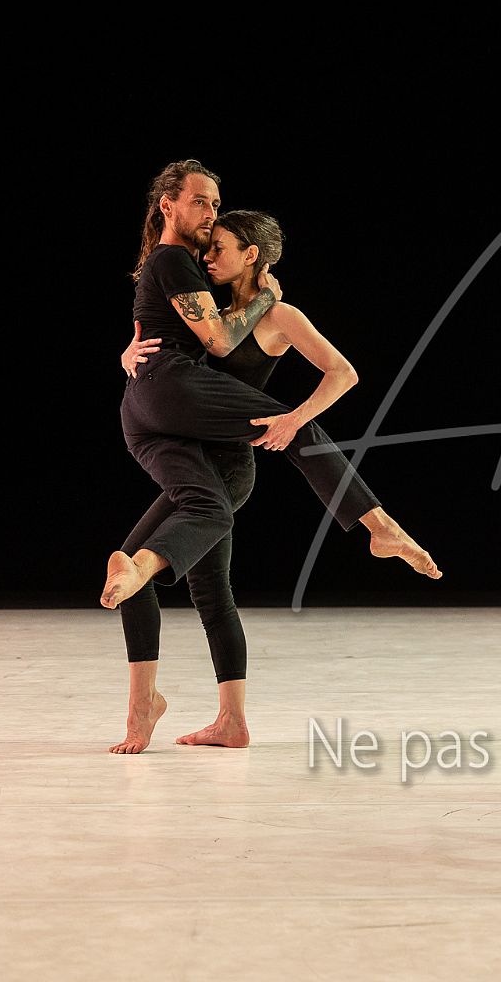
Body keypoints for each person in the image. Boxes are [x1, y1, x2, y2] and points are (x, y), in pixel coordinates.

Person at [106, 161, 441, 754]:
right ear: (168, 204)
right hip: (195, 436)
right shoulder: (202, 285)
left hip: (229, 459)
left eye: (222, 236)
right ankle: (217, 719)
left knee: (298, 433)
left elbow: (340, 372)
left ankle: (379, 527)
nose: (211, 240)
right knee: (203, 588)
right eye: (204, 205)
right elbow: (182, 331)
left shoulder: (278, 313)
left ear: (252, 256)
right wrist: (130, 356)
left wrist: (293, 415)